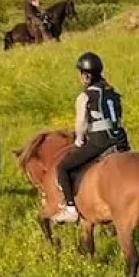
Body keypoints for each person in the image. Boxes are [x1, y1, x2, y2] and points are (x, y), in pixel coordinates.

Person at [53, 52, 129, 225]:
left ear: (86, 75)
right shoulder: (112, 92)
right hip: (120, 139)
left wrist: (79, 141)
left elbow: (81, 123)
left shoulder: (85, 96)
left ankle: (70, 208)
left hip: (100, 141)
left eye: (80, 73)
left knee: (63, 167)